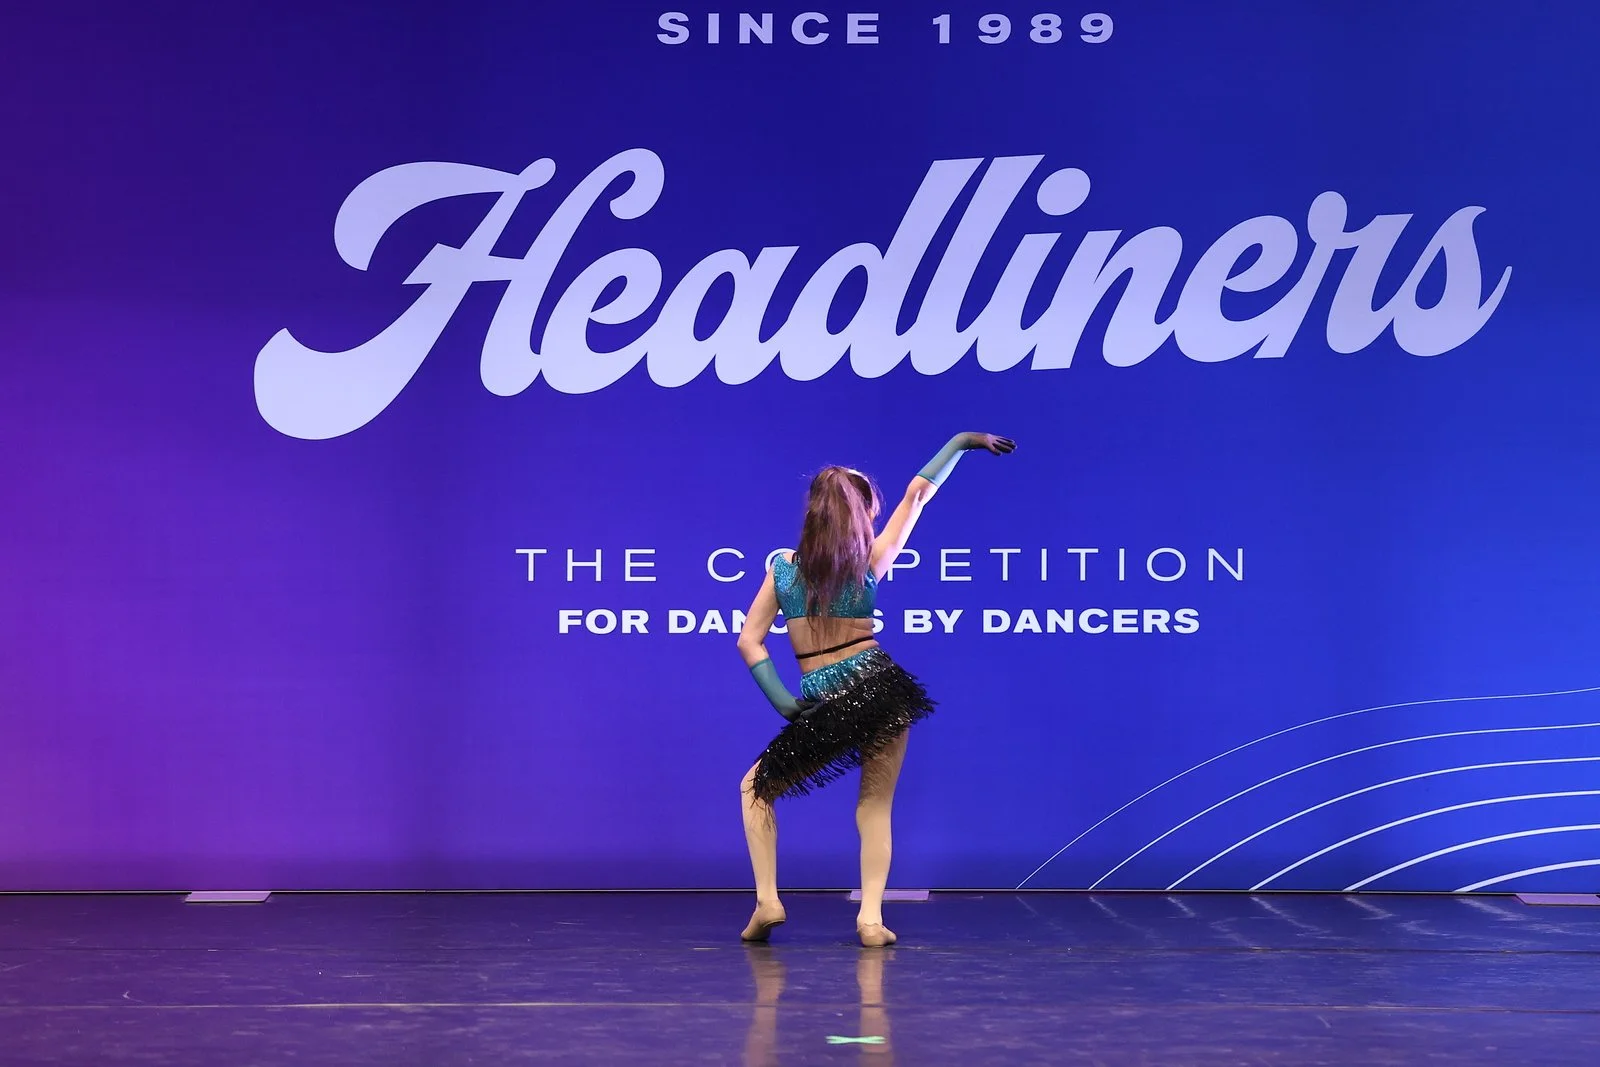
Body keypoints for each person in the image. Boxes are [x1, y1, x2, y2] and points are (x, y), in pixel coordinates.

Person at [734, 431, 1016, 947]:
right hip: (882, 687)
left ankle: (768, 900)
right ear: (858, 514)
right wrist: (960, 442)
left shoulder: (783, 572)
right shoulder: (868, 563)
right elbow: (917, 496)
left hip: (827, 695)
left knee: (756, 790)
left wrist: (785, 703)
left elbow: (750, 641)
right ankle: (870, 919)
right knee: (874, 805)